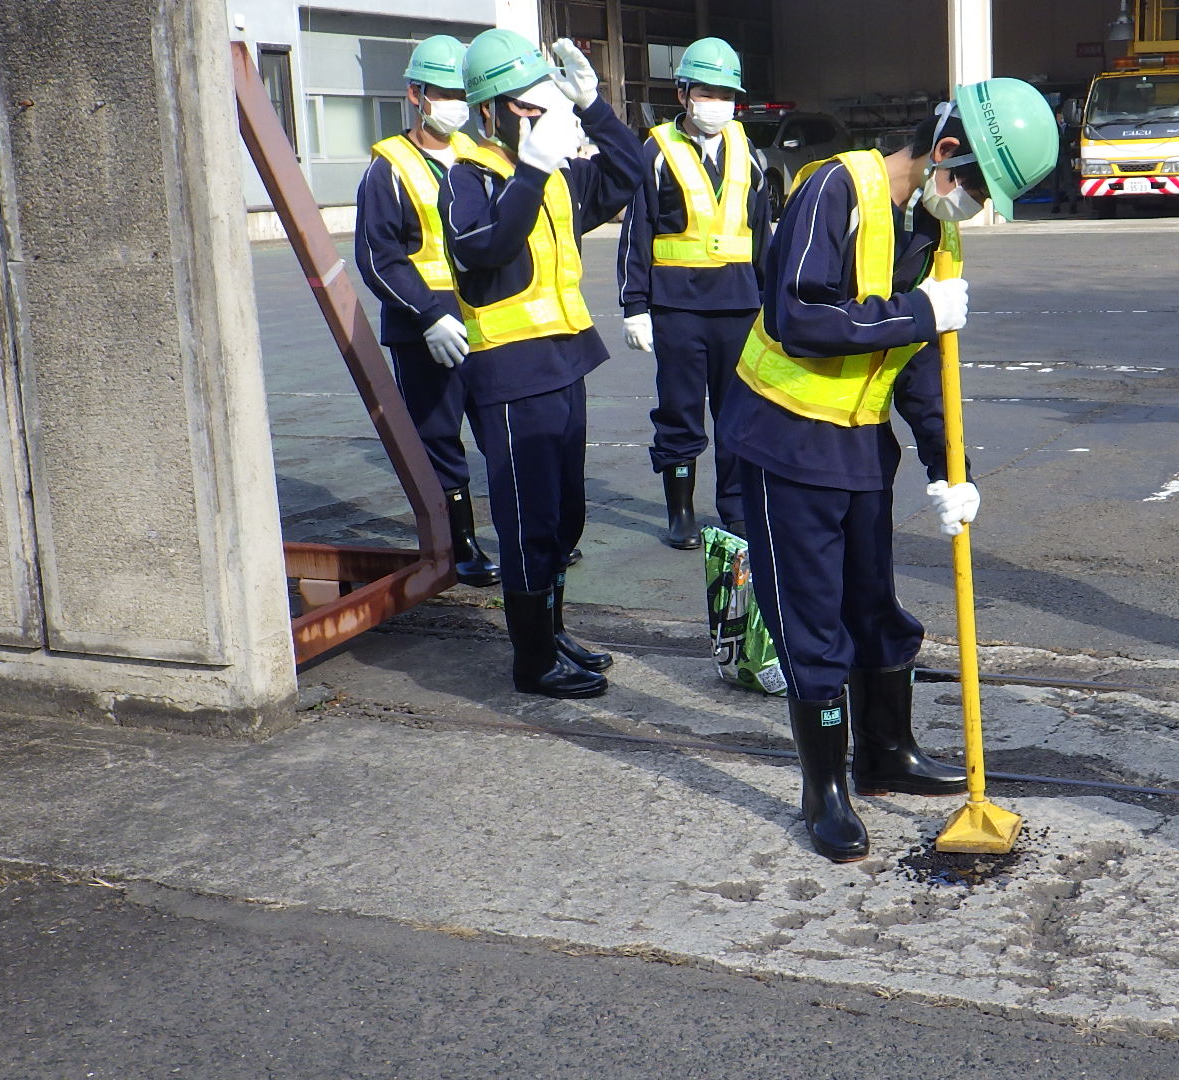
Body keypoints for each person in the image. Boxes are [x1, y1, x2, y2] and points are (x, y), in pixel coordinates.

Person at [716, 79, 1058, 862]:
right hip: (784, 439)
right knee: (813, 622)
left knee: (874, 609)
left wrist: (950, 468)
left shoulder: (935, 235)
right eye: (972, 185)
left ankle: (885, 753)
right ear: (944, 152)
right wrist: (918, 312)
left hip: (859, 445)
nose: (974, 204)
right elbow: (798, 317)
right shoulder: (833, 189)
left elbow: (919, 369)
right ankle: (823, 790)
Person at [440, 30, 648, 697]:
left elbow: (628, 177)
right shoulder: (467, 177)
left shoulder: (552, 172)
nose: (535, 118)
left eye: (540, 106)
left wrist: (595, 108)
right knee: (527, 520)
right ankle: (531, 660)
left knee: (564, 516)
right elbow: (484, 248)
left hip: (563, 360)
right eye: (522, 108)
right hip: (507, 372)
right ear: (489, 111)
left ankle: (552, 631)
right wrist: (530, 166)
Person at [353, 35, 501, 588]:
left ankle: (519, 529)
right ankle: (458, 540)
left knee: (501, 430)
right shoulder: (389, 168)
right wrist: (427, 315)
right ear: (416, 94)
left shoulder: (481, 160)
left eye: (462, 93)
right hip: (427, 329)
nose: (454, 103)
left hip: (487, 322)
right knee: (439, 438)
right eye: (442, 92)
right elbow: (378, 257)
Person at [616, 37, 773, 547]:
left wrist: (774, 304)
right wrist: (634, 306)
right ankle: (680, 511)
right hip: (677, 306)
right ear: (683, 93)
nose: (718, 103)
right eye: (707, 91)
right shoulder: (656, 150)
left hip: (740, 305)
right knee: (679, 410)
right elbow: (636, 232)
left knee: (739, 413)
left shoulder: (749, 152)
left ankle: (736, 508)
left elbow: (763, 233)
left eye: (726, 93)